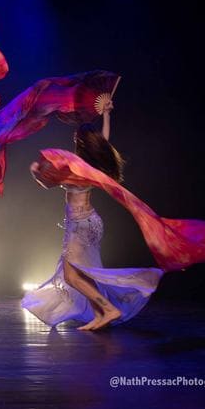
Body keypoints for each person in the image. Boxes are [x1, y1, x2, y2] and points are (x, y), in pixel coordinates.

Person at [22, 100, 163, 330]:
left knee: (71, 276)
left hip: (80, 225)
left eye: (76, 139)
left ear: (81, 142)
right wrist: (106, 114)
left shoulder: (77, 169)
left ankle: (108, 309)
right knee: (83, 274)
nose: (74, 141)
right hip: (90, 223)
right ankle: (100, 314)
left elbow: (48, 184)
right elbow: (104, 142)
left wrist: (36, 172)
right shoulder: (90, 166)